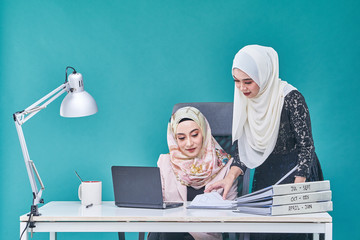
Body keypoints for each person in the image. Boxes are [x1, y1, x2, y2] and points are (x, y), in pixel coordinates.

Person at [205, 45, 323, 240]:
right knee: (263, 232)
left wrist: (296, 190)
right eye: (237, 81)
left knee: (293, 233)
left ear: (263, 75)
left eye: (248, 82)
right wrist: (230, 177)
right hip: (267, 172)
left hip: (297, 172)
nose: (242, 88)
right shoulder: (247, 101)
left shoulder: (291, 98)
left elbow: (307, 146)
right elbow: (244, 149)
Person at [148, 106, 238, 240]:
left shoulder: (226, 166)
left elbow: (231, 214)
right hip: (170, 232)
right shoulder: (165, 162)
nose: (189, 143)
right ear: (174, 139)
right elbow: (158, 207)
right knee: (165, 233)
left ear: (204, 133)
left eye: (195, 135)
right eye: (181, 138)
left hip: (203, 236)